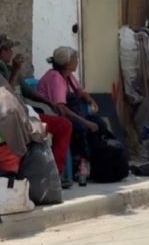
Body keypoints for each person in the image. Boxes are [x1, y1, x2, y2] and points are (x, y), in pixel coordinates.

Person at [0, 33, 73, 186]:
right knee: (64, 126)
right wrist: (15, 71)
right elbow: (5, 95)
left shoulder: (8, 68)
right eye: (8, 49)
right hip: (13, 117)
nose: (11, 53)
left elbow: (28, 91)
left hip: (26, 112)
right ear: (1, 51)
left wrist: (49, 102)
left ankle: (56, 172)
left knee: (62, 124)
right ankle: (56, 175)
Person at [36, 46, 108, 185]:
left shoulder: (68, 76)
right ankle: (79, 165)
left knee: (100, 125)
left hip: (74, 114)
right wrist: (86, 122)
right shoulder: (55, 78)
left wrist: (89, 100)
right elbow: (61, 108)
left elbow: (79, 91)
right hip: (59, 116)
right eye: (75, 58)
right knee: (83, 128)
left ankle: (95, 163)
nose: (77, 61)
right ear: (67, 63)